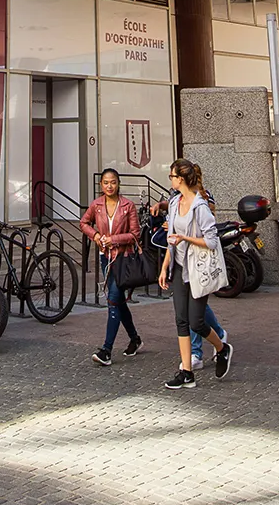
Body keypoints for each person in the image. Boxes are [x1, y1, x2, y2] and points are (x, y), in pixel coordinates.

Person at [157, 158, 232, 389]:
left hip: (197, 269)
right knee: (181, 320)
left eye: (172, 176)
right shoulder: (173, 203)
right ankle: (186, 372)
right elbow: (172, 239)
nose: (170, 180)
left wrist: (185, 238)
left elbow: (211, 241)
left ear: (181, 179)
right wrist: (165, 266)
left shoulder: (200, 207)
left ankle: (222, 348)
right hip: (179, 266)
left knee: (196, 321)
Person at [80, 167, 143, 366]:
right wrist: (96, 236)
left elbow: (135, 234)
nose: (110, 186)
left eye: (113, 182)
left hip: (123, 259)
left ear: (118, 183)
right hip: (105, 259)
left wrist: (113, 239)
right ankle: (135, 339)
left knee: (114, 300)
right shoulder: (96, 205)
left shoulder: (128, 206)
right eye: (106, 182)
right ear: (101, 185)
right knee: (119, 302)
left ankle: (106, 350)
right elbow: (84, 223)